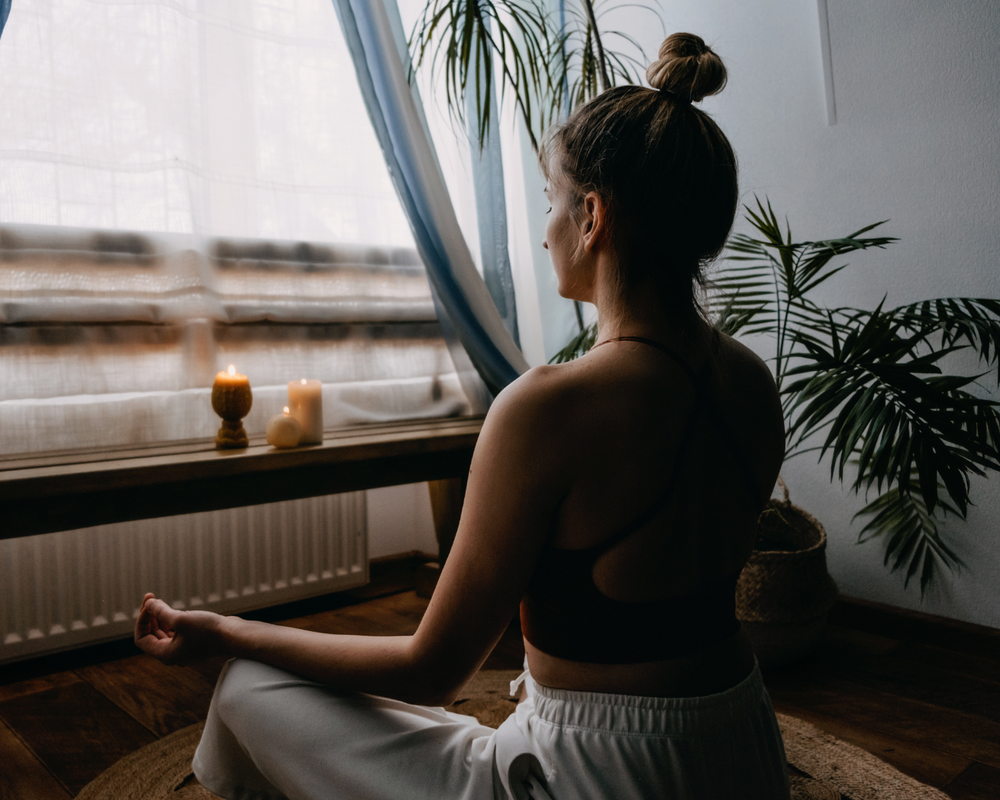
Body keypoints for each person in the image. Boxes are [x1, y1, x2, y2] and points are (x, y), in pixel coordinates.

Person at [135, 32, 789, 800]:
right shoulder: (750, 381)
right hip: (742, 750)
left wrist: (227, 632)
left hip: (603, 778)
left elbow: (430, 672)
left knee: (249, 686)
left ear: (593, 217)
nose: (545, 228)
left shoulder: (549, 407)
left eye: (551, 202)